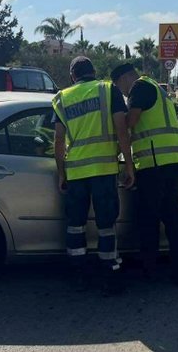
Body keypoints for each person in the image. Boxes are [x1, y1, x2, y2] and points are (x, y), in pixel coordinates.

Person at [53, 56, 134, 294]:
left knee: (75, 225)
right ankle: (109, 273)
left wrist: (61, 174)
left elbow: (58, 140)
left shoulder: (61, 98)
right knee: (106, 225)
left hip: (76, 172)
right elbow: (122, 130)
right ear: (94, 71)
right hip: (104, 170)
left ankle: (78, 273)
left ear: (72, 76)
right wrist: (128, 166)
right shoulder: (108, 89)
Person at [110, 63, 178, 287]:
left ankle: (149, 271)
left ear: (125, 78)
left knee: (148, 219)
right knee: (173, 218)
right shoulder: (157, 88)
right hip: (172, 162)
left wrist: (115, 138)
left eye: (119, 88)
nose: (123, 93)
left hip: (155, 164)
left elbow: (129, 123)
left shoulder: (140, 88)